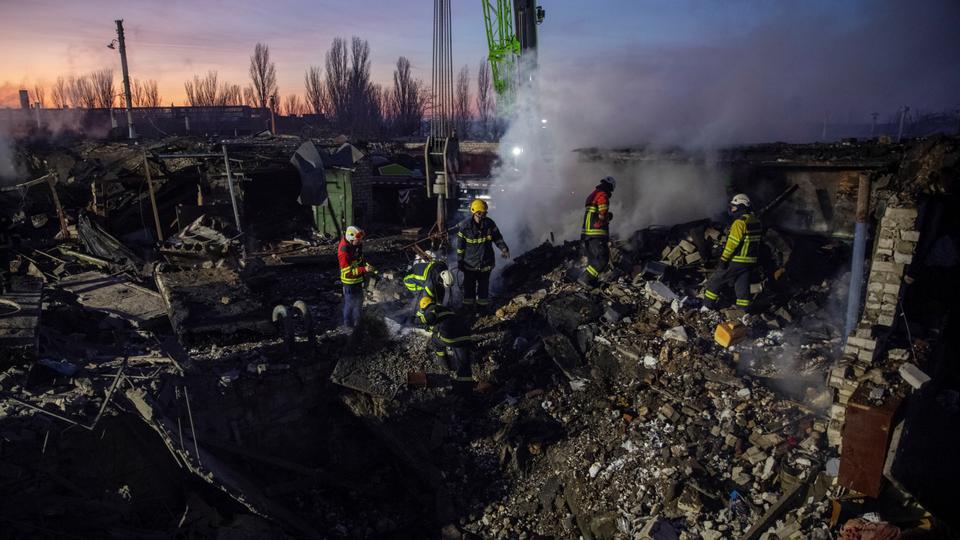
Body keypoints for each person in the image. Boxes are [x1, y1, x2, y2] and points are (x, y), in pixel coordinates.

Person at [703, 193, 762, 310]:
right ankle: (744, 311)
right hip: (750, 261)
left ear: (741, 207)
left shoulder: (739, 223)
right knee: (742, 285)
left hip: (737, 260)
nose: (732, 209)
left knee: (716, 280)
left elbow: (732, 244)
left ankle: (707, 306)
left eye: (734, 206)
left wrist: (723, 259)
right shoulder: (756, 221)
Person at [456, 199, 509, 310]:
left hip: (486, 263)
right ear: (474, 212)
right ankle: (468, 310)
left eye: (484, 213)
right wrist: (460, 262)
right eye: (480, 213)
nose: (482, 216)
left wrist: (504, 249)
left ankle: (482, 310)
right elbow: (460, 248)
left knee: (483, 288)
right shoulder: (465, 227)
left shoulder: (490, 224)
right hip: (470, 265)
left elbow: (498, 238)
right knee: (469, 289)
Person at [417, 296, 475, 393]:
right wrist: (432, 328)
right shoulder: (446, 309)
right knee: (463, 365)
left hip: (450, 337)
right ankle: (466, 393)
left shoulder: (431, 309)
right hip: (465, 336)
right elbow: (442, 324)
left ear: (424, 307)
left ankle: (444, 365)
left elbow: (430, 318)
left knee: (435, 341)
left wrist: (417, 320)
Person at [578, 176, 616, 288]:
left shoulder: (591, 196)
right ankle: (584, 279)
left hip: (587, 234)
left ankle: (590, 281)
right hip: (596, 233)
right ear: (610, 187)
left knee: (593, 260)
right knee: (602, 259)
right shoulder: (602, 195)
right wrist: (609, 216)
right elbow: (602, 215)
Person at [337, 225, 375, 328]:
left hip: (357, 280)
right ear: (351, 238)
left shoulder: (355, 244)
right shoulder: (344, 252)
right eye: (358, 240)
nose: (360, 242)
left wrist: (366, 265)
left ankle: (358, 322)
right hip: (349, 282)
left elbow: (360, 259)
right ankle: (348, 325)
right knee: (349, 304)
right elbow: (347, 273)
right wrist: (364, 270)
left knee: (359, 301)